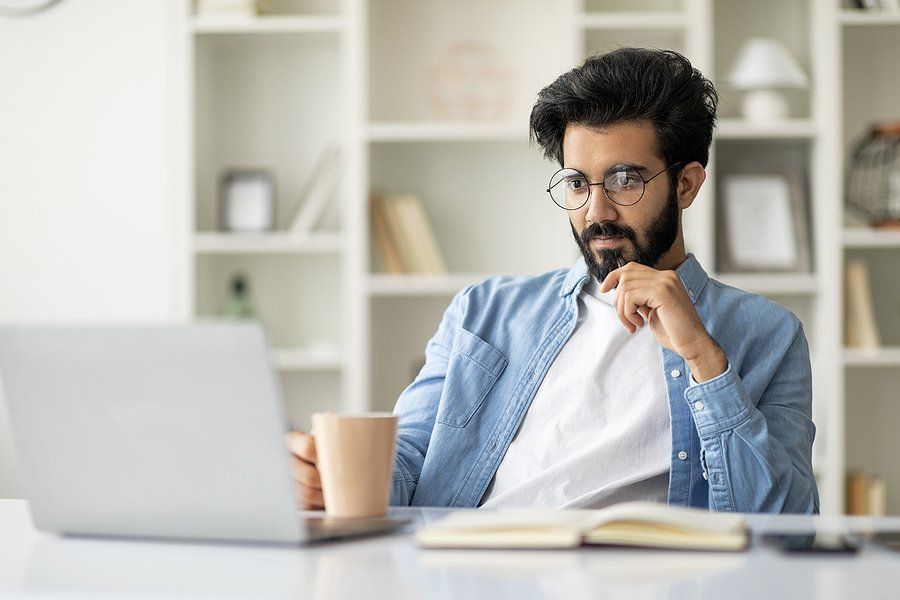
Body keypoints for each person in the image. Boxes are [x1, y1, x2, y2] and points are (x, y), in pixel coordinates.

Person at [286, 47, 818, 514]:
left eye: (625, 179)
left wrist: (703, 359)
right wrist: (328, 480)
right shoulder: (485, 312)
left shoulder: (766, 333)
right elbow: (410, 461)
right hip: (471, 574)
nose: (596, 211)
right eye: (576, 183)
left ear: (686, 183)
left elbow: (786, 523)